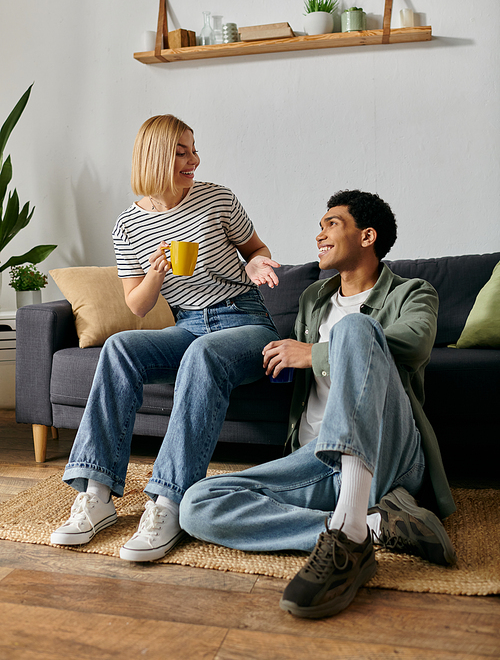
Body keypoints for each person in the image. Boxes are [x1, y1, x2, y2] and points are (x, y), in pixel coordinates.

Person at [179, 189, 457, 619]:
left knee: (356, 329)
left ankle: (348, 535)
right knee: (196, 505)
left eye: (332, 224)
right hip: (316, 459)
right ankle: (375, 526)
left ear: (367, 236)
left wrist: (313, 353)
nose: (319, 236)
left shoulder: (414, 292)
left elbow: (414, 345)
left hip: (389, 452)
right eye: (319, 226)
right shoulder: (313, 299)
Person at [50, 114, 281, 562]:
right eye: (182, 151)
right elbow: (137, 305)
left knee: (205, 354)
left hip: (244, 321)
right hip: (187, 324)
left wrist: (255, 264)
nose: (194, 159)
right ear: (155, 156)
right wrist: (155, 273)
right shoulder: (127, 226)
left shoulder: (218, 198)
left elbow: (256, 250)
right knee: (119, 348)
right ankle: (96, 494)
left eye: (194, 149)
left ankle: (168, 502)